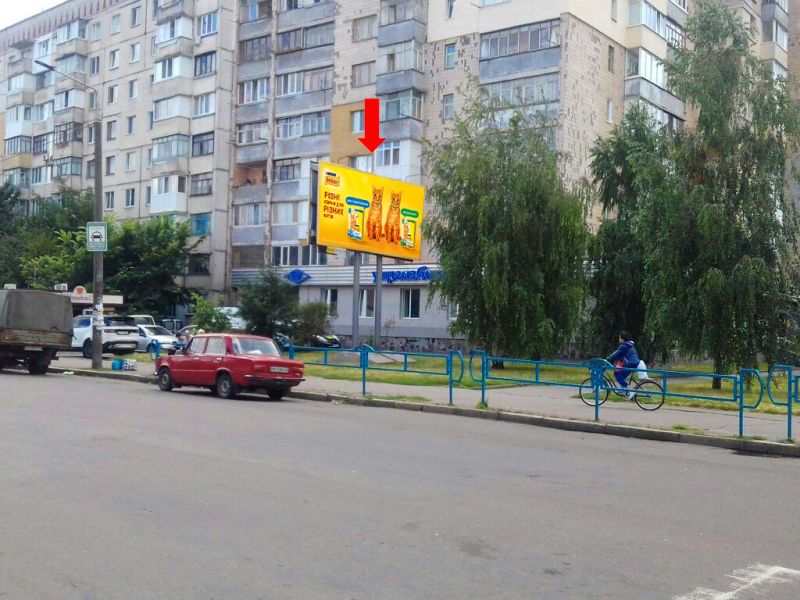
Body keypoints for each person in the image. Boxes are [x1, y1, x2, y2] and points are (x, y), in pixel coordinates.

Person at [607, 331, 640, 397]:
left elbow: (616, 354)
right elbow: (620, 355)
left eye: (619, 338)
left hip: (630, 364)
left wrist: (609, 358)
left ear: (623, 338)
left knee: (619, 378)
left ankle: (631, 390)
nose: (619, 339)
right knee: (616, 373)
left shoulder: (624, 346)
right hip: (631, 363)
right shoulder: (628, 345)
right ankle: (623, 390)